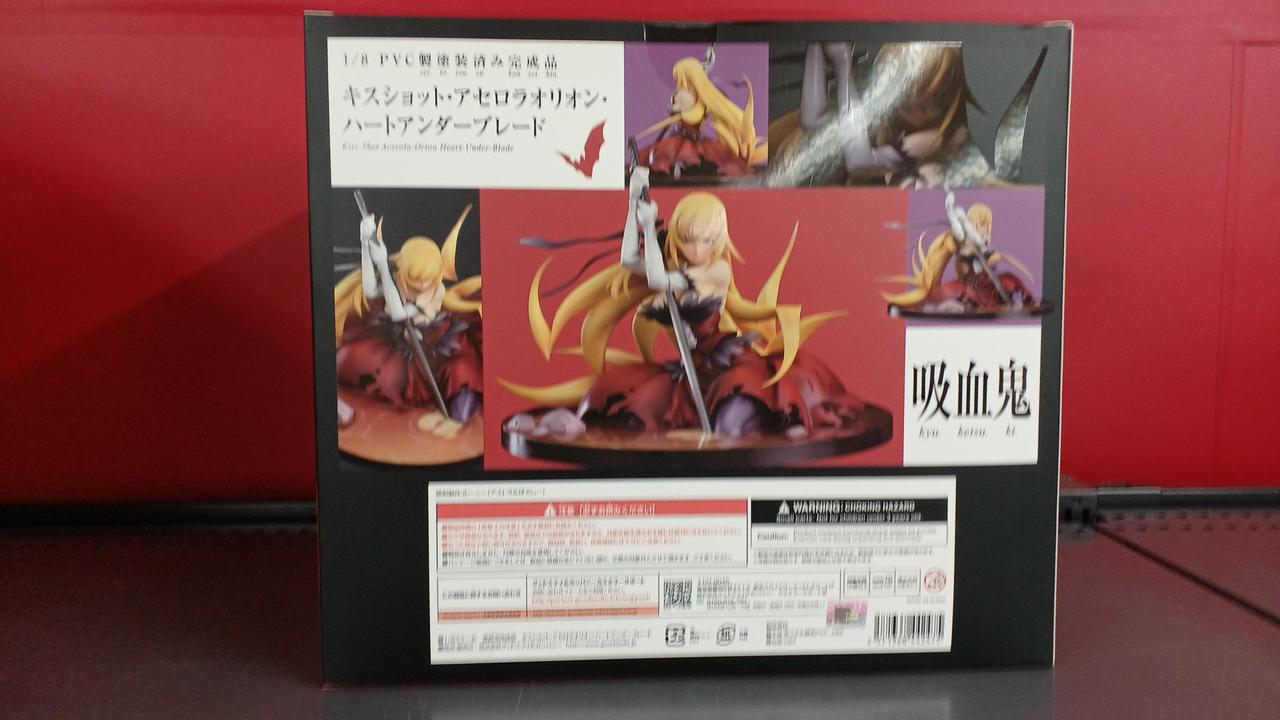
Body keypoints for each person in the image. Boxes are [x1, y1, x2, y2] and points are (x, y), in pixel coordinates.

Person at [500, 169, 864, 437]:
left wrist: (648, 227)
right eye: (689, 239)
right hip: (692, 364)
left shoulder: (718, 270)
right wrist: (634, 205)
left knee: (734, 416)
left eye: (707, 240)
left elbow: (659, 280)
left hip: (727, 362)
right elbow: (630, 261)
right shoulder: (677, 267)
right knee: (632, 401)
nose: (697, 249)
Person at [334, 203, 483, 435]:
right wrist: (365, 244)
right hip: (400, 343)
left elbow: (398, 313)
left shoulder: (436, 291)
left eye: (425, 280)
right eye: (414, 279)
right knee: (350, 360)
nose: (421, 285)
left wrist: (383, 266)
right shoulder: (398, 280)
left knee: (462, 374)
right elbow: (371, 290)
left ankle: (456, 418)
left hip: (438, 346)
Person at [882, 192, 1035, 312]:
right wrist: (954, 213)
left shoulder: (982, 240)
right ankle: (952, 210)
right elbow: (963, 246)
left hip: (988, 284)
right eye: (983, 223)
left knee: (1008, 279)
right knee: (962, 290)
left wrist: (999, 258)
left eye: (987, 224)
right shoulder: (962, 240)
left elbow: (987, 253)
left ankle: (1016, 298)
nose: (987, 228)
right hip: (970, 285)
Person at [635, 56, 767, 178]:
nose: (678, 82)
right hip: (682, 138)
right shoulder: (692, 96)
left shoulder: (686, 96)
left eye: (680, 77)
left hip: (686, 140)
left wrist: (675, 106)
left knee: (673, 159)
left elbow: (681, 113)